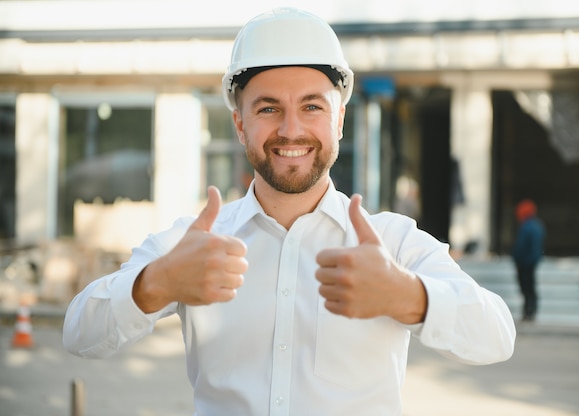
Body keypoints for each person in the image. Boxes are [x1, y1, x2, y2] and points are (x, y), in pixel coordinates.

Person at [63, 7, 515, 415]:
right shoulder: (192, 245)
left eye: (311, 106)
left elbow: (497, 337)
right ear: (240, 124)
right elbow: (79, 334)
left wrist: (408, 296)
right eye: (269, 108)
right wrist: (159, 283)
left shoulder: (392, 244)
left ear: (338, 119)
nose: (291, 129)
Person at [512, 199, 545, 322]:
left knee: (526, 287)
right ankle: (531, 311)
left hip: (524, 263)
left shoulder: (526, 227)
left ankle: (528, 311)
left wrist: (517, 259)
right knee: (530, 287)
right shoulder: (538, 226)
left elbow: (520, 247)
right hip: (532, 262)